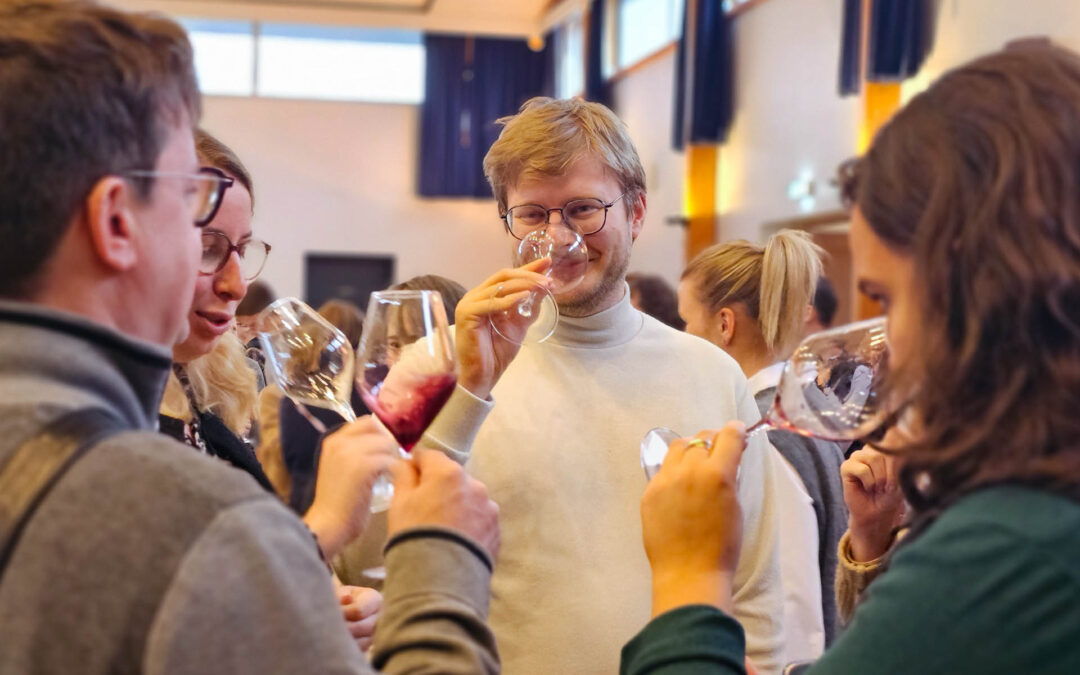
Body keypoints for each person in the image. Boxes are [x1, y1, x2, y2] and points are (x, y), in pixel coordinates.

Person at [0, 3, 500, 673]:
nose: (232, 283)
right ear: (117, 222)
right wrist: (441, 564)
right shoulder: (195, 522)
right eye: (191, 207)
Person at [623, 44, 1080, 674]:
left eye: (889, 299)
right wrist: (875, 552)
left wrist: (687, 579)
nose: (886, 343)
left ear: (984, 289)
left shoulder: (1017, 540)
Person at [423, 97, 785, 674]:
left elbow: (755, 588)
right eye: (533, 215)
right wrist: (468, 391)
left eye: (584, 210)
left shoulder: (711, 374)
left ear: (637, 212)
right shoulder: (441, 363)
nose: (558, 237)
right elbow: (380, 562)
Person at [679, 230, 848, 653]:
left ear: (723, 324)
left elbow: (791, 612)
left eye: (685, 322)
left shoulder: (767, 434)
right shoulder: (790, 412)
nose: (679, 338)